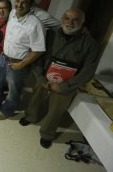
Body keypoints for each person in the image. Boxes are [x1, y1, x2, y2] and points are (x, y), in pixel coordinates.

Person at [19, 9, 99, 149]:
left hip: (66, 85)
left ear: (82, 22)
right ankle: (30, 116)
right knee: (35, 98)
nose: (70, 22)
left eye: (75, 20)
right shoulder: (49, 34)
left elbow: (88, 71)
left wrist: (64, 86)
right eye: (67, 18)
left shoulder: (90, 44)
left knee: (57, 109)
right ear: (61, 18)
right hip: (44, 78)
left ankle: (47, 133)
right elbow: (37, 55)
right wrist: (40, 78)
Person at [0, 0, 46, 120]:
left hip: (19, 62)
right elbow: (0, 13)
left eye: (24, 2)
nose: (19, 5)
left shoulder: (35, 24)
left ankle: (7, 111)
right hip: (3, 57)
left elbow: (39, 50)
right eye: (17, 1)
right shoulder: (12, 14)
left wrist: (21, 64)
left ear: (31, 5)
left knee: (13, 90)